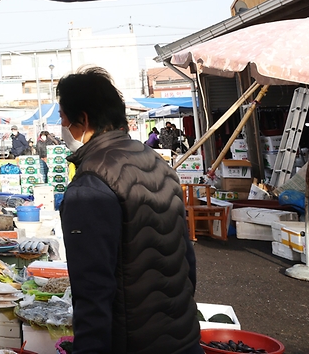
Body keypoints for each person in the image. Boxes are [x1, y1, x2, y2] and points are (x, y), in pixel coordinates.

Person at [58, 67, 202, 354]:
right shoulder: (158, 163)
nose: (61, 128)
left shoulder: (90, 186)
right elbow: (187, 261)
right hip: (182, 337)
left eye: (63, 119)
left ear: (83, 120)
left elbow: (93, 293)